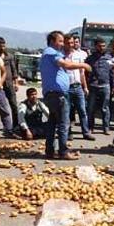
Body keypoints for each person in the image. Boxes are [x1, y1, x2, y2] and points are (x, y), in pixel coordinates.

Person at [39, 31, 91, 160]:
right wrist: (83, 65)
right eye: (60, 41)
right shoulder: (51, 52)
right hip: (57, 95)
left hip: (51, 94)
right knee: (63, 123)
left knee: (52, 122)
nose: (62, 44)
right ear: (52, 41)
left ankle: (50, 150)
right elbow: (66, 65)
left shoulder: (49, 53)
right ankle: (63, 151)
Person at [64, 34, 95, 141]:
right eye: (67, 43)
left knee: (82, 110)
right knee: (67, 111)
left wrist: (85, 87)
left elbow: (82, 72)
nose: (70, 45)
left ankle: (86, 132)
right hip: (66, 88)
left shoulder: (78, 55)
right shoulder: (61, 55)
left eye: (72, 43)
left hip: (78, 87)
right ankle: (68, 133)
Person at [85, 38, 114, 135]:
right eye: (100, 46)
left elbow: (112, 73)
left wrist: (113, 86)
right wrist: (85, 86)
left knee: (105, 108)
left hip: (105, 85)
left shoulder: (109, 58)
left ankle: (106, 128)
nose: (102, 47)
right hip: (93, 86)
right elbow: (85, 73)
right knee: (91, 108)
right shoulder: (90, 58)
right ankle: (90, 128)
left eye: (103, 45)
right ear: (95, 46)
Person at [0, 37, 21, 129]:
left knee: (14, 105)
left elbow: (14, 70)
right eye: (0, 46)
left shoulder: (9, 56)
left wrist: (16, 83)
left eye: (3, 45)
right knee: (2, 107)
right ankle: (6, 125)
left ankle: (16, 125)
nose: (2, 48)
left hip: (9, 83)